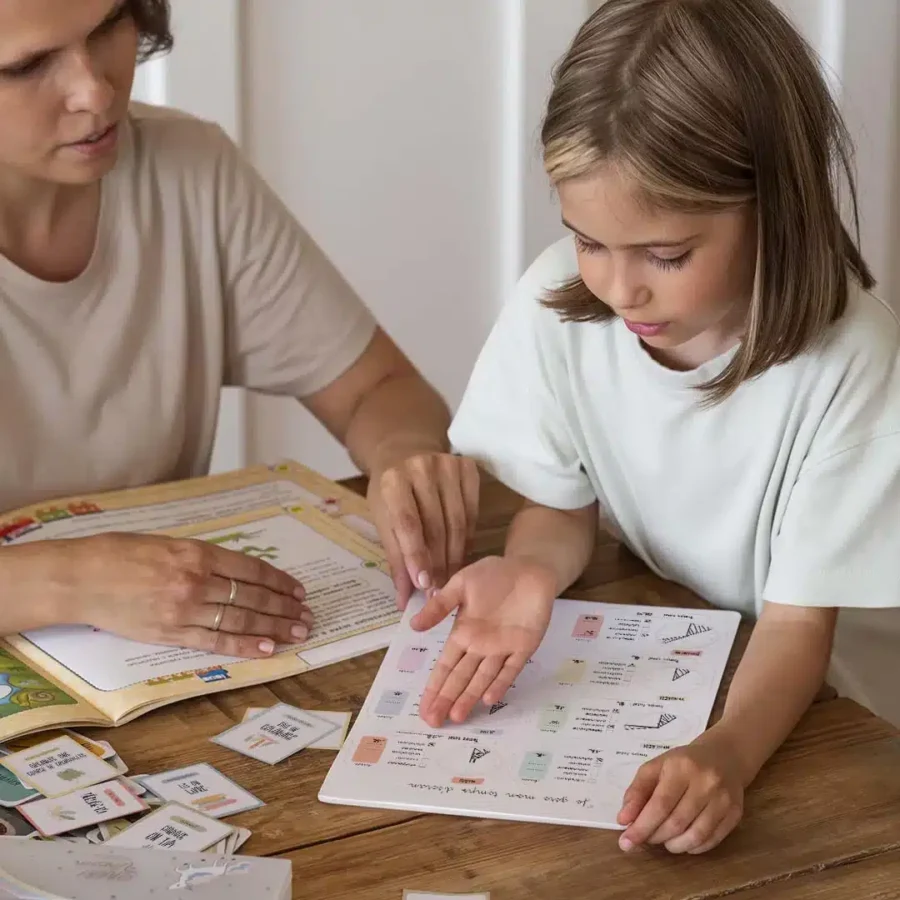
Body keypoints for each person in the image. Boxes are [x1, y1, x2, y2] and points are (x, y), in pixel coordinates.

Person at [411, 0, 900, 857]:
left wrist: (727, 753)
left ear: (772, 206)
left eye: (666, 256)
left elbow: (798, 629)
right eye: (587, 241)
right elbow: (564, 503)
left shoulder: (854, 361)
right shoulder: (561, 302)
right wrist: (529, 570)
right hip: (694, 648)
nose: (618, 289)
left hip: (846, 707)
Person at [0, 0, 478, 655]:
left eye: (109, 24)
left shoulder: (189, 170)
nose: (96, 89)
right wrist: (70, 580)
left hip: (160, 668)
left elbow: (378, 388)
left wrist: (404, 463)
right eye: (27, 65)